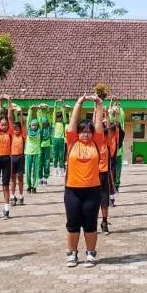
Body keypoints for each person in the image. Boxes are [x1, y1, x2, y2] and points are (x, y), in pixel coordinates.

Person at [64, 94, 105, 268]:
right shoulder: (72, 142)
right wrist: (79, 103)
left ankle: (90, 253)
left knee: (90, 223)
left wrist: (99, 104)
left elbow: (98, 125)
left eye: (89, 132)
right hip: (72, 190)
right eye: (83, 132)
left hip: (93, 190)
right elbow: (73, 123)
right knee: (73, 223)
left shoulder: (96, 143)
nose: (86, 134)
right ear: (78, 133)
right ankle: (72, 253)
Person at [0, 96, 13, 219]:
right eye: (2, 125)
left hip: (6, 159)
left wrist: (9, 101)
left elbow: (10, 116)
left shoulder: (10, 132)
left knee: (5, 185)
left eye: (5, 125)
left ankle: (6, 208)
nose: (4, 126)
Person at [99, 109, 117, 235]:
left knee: (104, 202)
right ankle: (89, 223)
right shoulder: (94, 143)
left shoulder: (108, 143)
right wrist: (98, 110)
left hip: (104, 174)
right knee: (93, 202)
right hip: (93, 175)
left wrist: (106, 114)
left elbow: (110, 129)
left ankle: (104, 223)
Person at [10, 106, 26, 206]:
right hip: (12, 157)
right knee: (13, 179)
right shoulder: (11, 135)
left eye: (17, 129)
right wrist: (11, 110)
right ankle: (12, 196)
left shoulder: (22, 135)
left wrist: (20, 113)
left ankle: (21, 196)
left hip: (20, 157)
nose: (16, 131)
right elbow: (10, 121)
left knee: (20, 177)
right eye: (14, 129)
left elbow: (22, 124)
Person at [24, 106, 41, 194]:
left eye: (35, 125)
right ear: (30, 125)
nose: (34, 126)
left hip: (37, 152)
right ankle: (28, 186)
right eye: (32, 125)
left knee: (36, 171)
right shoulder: (28, 130)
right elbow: (28, 120)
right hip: (28, 152)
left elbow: (40, 120)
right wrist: (30, 110)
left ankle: (34, 186)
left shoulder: (39, 131)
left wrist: (38, 111)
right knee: (27, 171)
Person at [51, 101, 66, 178]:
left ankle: (61, 170)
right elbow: (54, 114)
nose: (59, 118)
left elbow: (64, 114)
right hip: (55, 140)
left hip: (61, 140)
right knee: (55, 155)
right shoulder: (54, 123)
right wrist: (55, 104)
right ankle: (55, 170)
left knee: (61, 156)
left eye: (61, 117)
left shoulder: (63, 123)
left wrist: (62, 105)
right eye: (58, 117)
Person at [38, 104, 52, 185]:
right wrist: (39, 110)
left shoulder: (49, 128)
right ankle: (40, 177)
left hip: (47, 146)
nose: (44, 124)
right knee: (40, 163)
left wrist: (47, 109)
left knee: (47, 162)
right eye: (43, 123)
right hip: (39, 146)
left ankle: (45, 177)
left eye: (46, 122)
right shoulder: (39, 129)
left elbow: (49, 118)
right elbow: (39, 118)